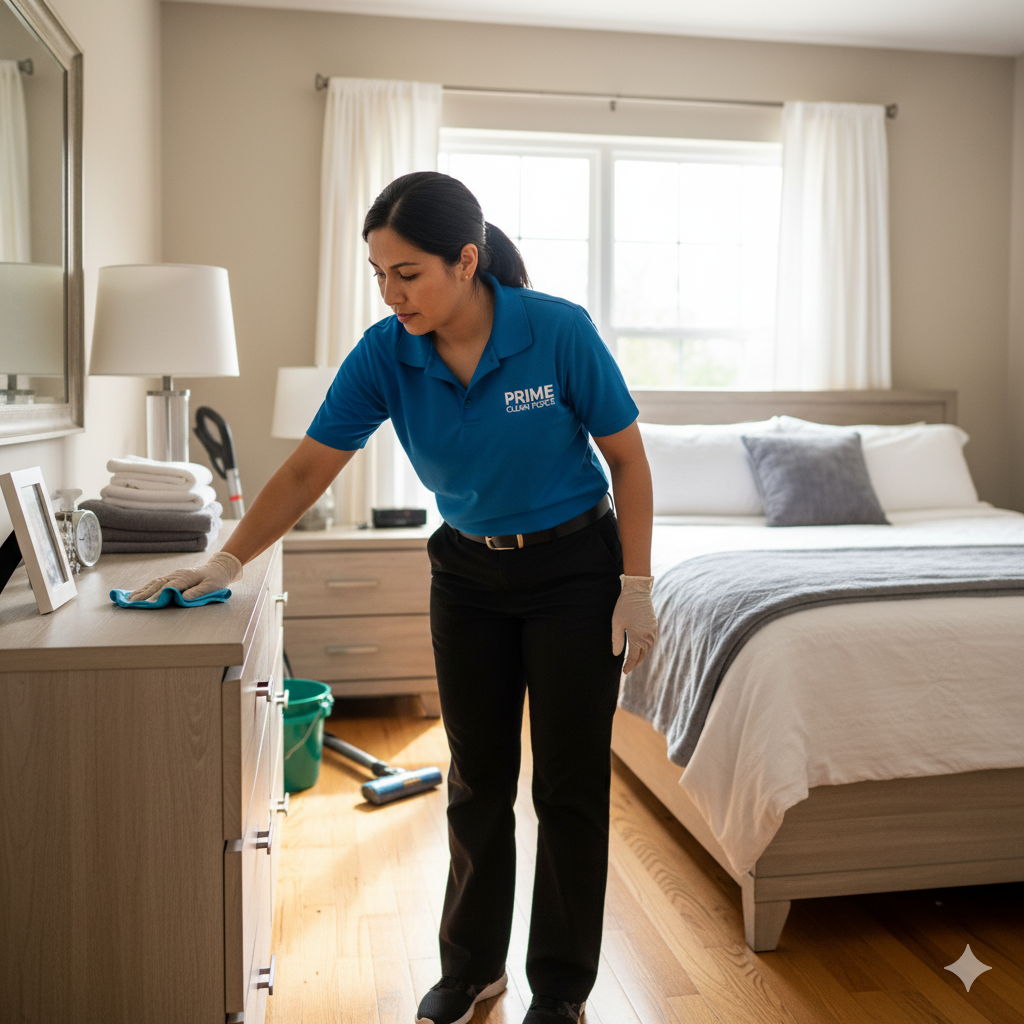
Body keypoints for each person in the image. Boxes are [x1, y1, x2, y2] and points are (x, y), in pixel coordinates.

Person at [130, 171, 657, 1024]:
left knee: (567, 783)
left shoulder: (556, 331)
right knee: (477, 778)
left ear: (465, 261)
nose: (390, 291)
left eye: (407, 273)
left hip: (575, 572)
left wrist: (636, 584)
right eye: (378, 273)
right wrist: (226, 561)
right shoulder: (388, 352)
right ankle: (473, 969)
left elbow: (628, 460)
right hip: (469, 577)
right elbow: (309, 466)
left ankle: (560, 987)